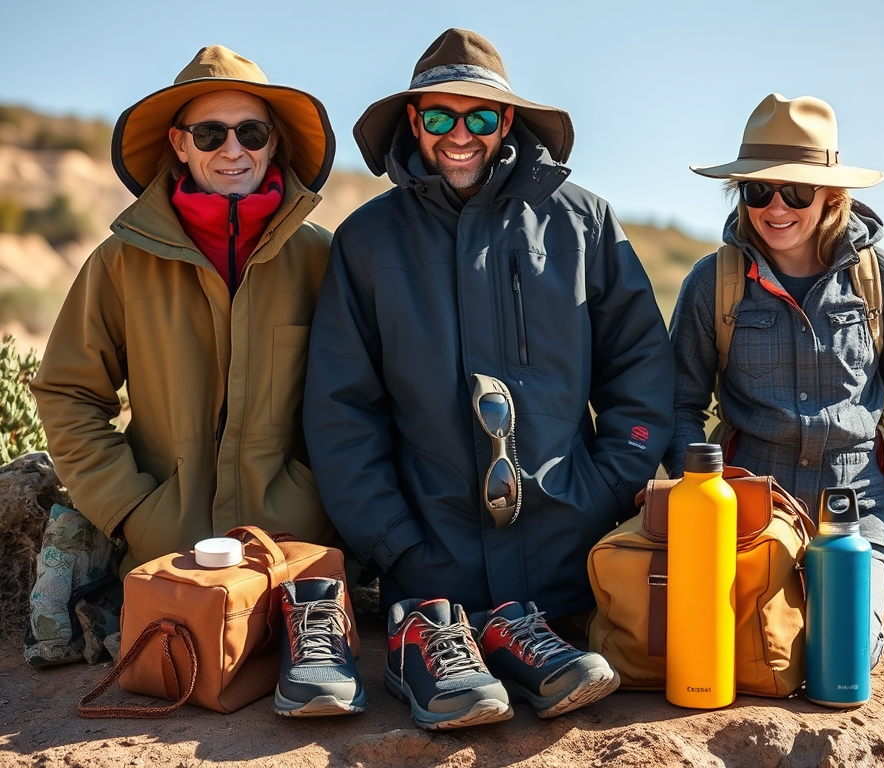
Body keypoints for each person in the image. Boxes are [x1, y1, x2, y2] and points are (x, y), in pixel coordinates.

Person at [304, 28, 673, 728]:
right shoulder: (367, 240)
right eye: (439, 116)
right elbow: (341, 411)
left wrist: (600, 493)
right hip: (432, 578)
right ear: (415, 122)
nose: (459, 135)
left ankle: (527, 645)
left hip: (573, 573)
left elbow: (639, 371)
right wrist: (397, 544)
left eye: (479, 116)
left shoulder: (583, 223)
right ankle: (429, 656)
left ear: (507, 121)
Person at [664, 93, 884, 668]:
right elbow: (679, 406)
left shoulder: (881, 282)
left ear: (832, 195)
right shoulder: (713, 283)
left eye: (796, 192)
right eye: (758, 190)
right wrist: (704, 502)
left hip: (859, 514)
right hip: (750, 518)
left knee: (842, 659)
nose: (775, 207)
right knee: (756, 654)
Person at [31, 45, 339, 577]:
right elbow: (68, 393)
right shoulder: (120, 262)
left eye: (251, 132)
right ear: (179, 143)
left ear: (273, 142)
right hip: (164, 560)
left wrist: (311, 500)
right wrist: (129, 510)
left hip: (295, 556)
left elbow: (360, 400)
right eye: (209, 134)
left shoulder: (324, 258)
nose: (232, 150)